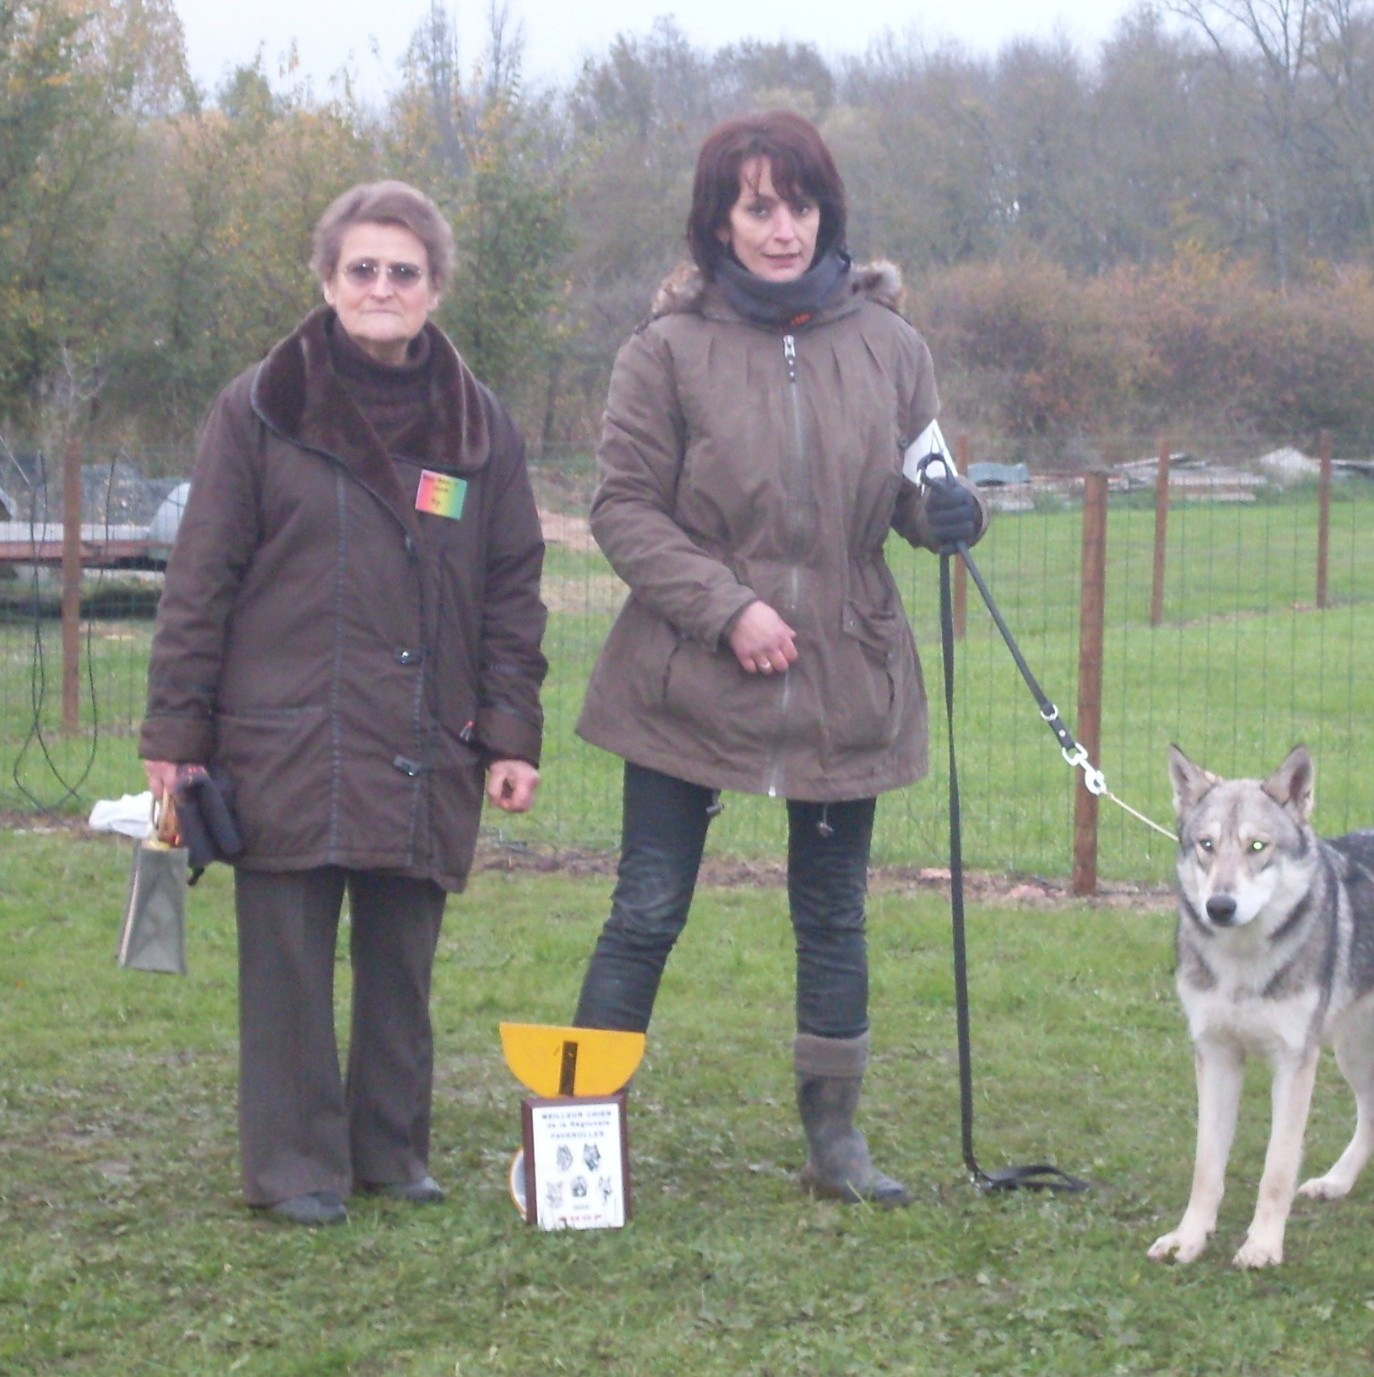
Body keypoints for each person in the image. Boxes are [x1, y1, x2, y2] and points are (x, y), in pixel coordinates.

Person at [572, 110, 988, 1206]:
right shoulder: (663, 352)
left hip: (844, 675)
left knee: (834, 912)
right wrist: (727, 608)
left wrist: (945, 511)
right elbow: (620, 508)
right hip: (686, 674)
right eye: (759, 206)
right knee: (648, 906)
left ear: (826, 213)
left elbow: (915, 487)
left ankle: (835, 1144)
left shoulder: (896, 348)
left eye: (800, 205)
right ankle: (580, 1136)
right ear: (719, 219)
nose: (782, 227)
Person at [140, 180, 549, 1227]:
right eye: (361, 268)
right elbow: (201, 583)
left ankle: (389, 1151)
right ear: (327, 279)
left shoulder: (482, 427)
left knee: (401, 963)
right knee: (284, 963)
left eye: (402, 271)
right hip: (284, 735)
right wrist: (176, 737)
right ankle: (293, 1167)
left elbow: (511, 587)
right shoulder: (257, 408)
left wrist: (509, 733)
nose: (381, 287)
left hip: (428, 736)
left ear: (435, 287)